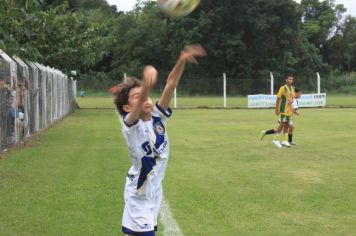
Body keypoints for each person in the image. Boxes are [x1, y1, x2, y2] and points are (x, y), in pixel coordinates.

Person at [114, 44, 206, 236]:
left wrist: (182, 59)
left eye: (146, 95)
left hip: (154, 190)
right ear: (127, 108)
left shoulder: (158, 117)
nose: (145, 99)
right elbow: (139, 105)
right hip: (139, 192)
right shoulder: (130, 125)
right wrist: (146, 86)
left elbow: (171, 84)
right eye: (138, 97)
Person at [260, 75, 295, 148]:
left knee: (287, 125)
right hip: (283, 110)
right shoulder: (283, 88)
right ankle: (274, 139)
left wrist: (291, 101)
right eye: (289, 79)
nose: (291, 80)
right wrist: (276, 109)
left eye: (292, 79)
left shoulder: (292, 88)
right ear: (286, 80)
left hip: (289, 111)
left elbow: (292, 98)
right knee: (282, 125)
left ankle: (285, 141)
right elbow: (278, 99)